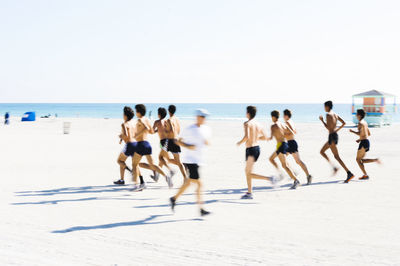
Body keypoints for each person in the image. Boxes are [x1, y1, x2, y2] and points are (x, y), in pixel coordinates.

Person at [169, 109, 211, 216]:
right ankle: (201, 209)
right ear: (197, 117)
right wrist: (188, 146)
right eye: (202, 116)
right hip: (190, 160)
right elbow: (177, 141)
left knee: (188, 183)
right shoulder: (189, 129)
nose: (204, 119)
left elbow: (206, 142)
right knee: (199, 184)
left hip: (199, 160)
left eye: (205, 117)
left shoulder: (206, 129)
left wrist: (206, 142)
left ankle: (174, 198)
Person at [237, 106, 277, 199]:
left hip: (250, 149)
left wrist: (240, 142)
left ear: (248, 113)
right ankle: (249, 192)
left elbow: (246, 137)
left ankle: (270, 179)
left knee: (248, 173)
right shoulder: (258, 124)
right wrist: (256, 138)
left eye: (246, 112)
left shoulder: (247, 123)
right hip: (257, 149)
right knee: (248, 172)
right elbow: (266, 137)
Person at [132, 104, 172, 191]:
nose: (135, 113)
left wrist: (136, 135)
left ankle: (137, 185)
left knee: (135, 164)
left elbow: (146, 128)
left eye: (136, 111)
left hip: (141, 144)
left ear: (138, 112)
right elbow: (151, 131)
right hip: (147, 145)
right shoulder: (147, 119)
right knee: (152, 165)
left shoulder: (140, 119)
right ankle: (166, 176)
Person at [319, 101, 355, 182]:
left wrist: (322, 121)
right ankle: (337, 168)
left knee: (334, 156)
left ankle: (348, 172)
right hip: (334, 135)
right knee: (325, 152)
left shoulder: (328, 115)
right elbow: (344, 123)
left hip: (331, 136)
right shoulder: (335, 114)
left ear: (327, 107)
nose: (324, 108)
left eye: (325, 106)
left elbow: (328, 128)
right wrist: (336, 130)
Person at [268, 110, 300, 189]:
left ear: (273, 117)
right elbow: (292, 132)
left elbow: (271, 137)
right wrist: (283, 135)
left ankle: (296, 180)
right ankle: (281, 174)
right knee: (271, 159)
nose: (271, 119)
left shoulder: (273, 126)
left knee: (284, 165)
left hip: (281, 146)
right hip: (284, 144)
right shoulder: (283, 124)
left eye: (271, 117)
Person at [113, 106, 145, 186]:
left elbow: (126, 135)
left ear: (126, 115)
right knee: (135, 163)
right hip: (135, 144)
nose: (122, 115)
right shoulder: (133, 124)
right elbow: (133, 134)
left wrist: (121, 137)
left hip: (129, 145)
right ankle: (141, 181)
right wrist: (122, 138)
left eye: (123, 114)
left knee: (119, 161)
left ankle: (131, 172)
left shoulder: (124, 124)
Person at [348, 109, 381, 182]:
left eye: (356, 114)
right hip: (367, 142)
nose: (356, 115)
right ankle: (375, 160)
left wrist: (352, 131)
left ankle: (365, 174)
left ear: (359, 115)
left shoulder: (360, 123)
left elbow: (360, 133)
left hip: (363, 142)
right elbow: (368, 134)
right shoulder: (365, 123)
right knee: (361, 160)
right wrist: (360, 139)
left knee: (358, 160)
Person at [283, 109, 312, 185]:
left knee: (297, 161)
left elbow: (292, 132)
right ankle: (294, 172)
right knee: (285, 159)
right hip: (290, 143)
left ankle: (308, 175)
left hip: (291, 143)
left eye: (283, 115)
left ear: (286, 116)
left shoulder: (287, 122)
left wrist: (284, 135)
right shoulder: (291, 122)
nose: (283, 117)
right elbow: (295, 131)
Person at [162, 105, 187, 182]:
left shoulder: (169, 120)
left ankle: (157, 174)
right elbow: (178, 130)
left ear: (168, 111)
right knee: (177, 161)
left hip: (169, 141)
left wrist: (165, 129)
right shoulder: (177, 119)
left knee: (162, 158)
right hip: (176, 140)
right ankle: (185, 177)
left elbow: (171, 131)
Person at [152, 107, 175, 183]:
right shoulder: (166, 121)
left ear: (159, 114)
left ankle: (170, 170)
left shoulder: (157, 122)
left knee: (161, 158)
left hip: (163, 142)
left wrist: (155, 131)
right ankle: (156, 176)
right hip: (168, 140)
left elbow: (152, 131)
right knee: (161, 159)